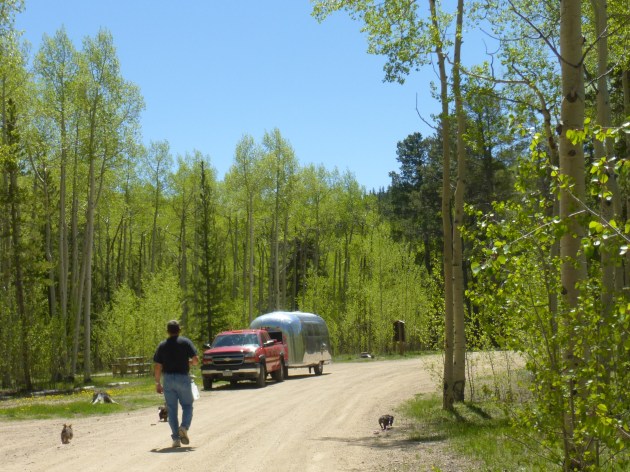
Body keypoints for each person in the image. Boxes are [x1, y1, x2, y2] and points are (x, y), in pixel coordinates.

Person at [153, 320, 199, 448]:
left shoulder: (162, 346)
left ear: (167, 331)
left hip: (168, 379)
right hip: (183, 378)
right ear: (179, 330)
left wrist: (157, 383)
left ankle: (176, 439)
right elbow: (195, 361)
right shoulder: (185, 343)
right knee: (187, 406)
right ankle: (184, 427)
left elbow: (157, 366)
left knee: (172, 410)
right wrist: (188, 363)